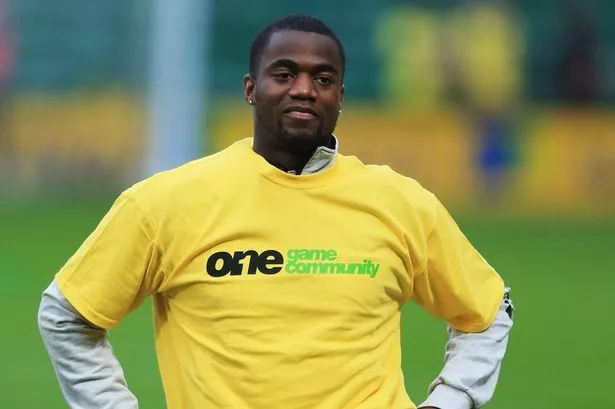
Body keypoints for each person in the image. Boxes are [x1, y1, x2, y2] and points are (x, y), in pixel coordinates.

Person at [38, 14, 514, 409]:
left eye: (323, 79)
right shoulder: (165, 202)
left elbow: (489, 312)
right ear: (251, 88)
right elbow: (67, 313)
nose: (304, 89)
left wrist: (450, 400)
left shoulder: (401, 202)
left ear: (341, 98)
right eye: (284, 74)